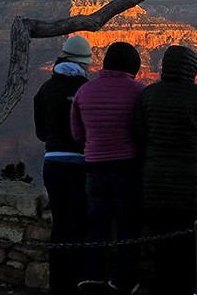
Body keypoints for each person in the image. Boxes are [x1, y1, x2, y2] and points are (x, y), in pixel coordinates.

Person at [134, 45, 197, 295]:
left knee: (162, 252)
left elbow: (140, 135)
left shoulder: (148, 95)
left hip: (156, 187)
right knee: (195, 252)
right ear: (192, 69)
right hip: (196, 189)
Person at [70, 42, 145, 295]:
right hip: (126, 168)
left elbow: (77, 134)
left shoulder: (84, 91)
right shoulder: (139, 91)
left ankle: (90, 278)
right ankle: (121, 282)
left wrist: (95, 145)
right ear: (132, 66)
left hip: (93, 168)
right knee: (127, 227)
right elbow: (143, 131)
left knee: (96, 226)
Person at [33, 34, 92, 295]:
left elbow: (41, 132)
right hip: (81, 163)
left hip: (52, 163)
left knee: (60, 223)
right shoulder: (85, 90)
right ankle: (78, 281)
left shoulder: (45, 89)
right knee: (80, 223)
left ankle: (58, 284)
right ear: (84, 63)